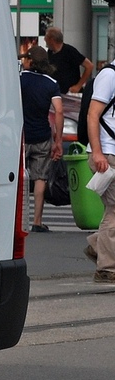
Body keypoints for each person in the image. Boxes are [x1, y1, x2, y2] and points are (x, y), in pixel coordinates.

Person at [19, 45, 62, 233]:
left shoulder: (19, 79)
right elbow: (59, 111)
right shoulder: (51, 83)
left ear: (30, 60)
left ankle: (16, 222)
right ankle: (37, 221)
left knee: (18, 178)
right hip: (42, 137)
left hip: (20, 136)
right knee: (40, 178)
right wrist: (58, 140)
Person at [86, 62, 115, 283]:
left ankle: (97, 244)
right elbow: (93, 115)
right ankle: (107, 268)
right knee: (114, 209)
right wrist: (97, 153)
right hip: (106, 152)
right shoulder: (109, 75)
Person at [43, 26, 93, 95]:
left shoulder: (69, 51)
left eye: (46, 37)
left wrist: (78, 86)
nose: (44, 39)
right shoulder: (50, 52)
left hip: (70, 93)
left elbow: (89, 66)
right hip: (57, 92)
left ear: (52, 39)